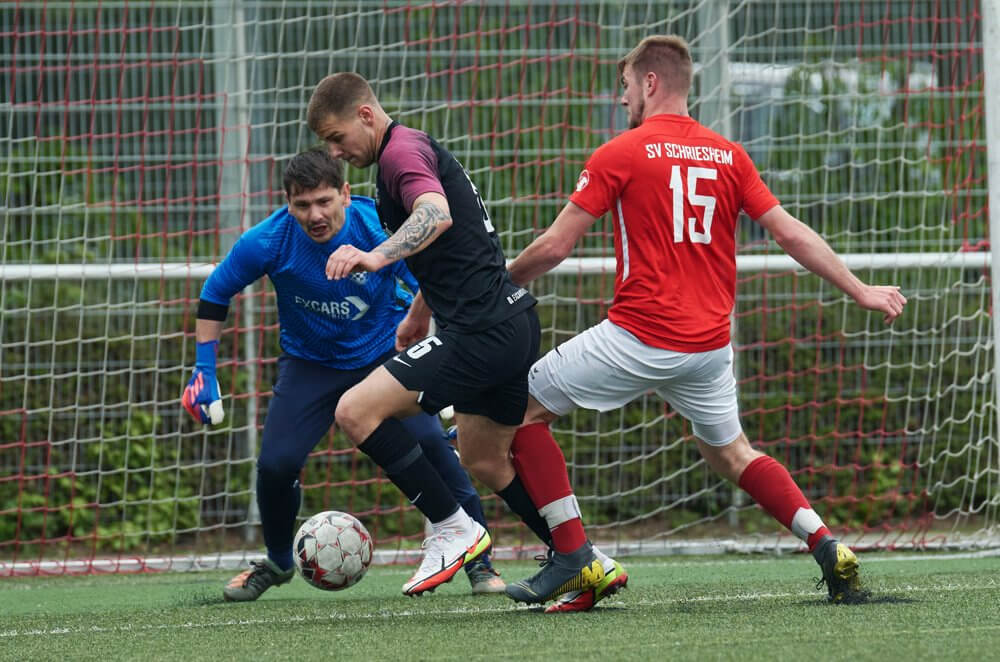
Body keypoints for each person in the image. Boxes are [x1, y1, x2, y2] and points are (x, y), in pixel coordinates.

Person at [506, 34, 907, 608]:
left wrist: (499, 287)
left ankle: (573, 556)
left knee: (517, 410)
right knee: (731, 453)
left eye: (625, 87)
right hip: (710, 347)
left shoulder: (620, 151)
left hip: (640, 335)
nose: (622, 101)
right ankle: (826, 543)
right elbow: (789, 231)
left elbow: (552, 248)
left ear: (649, 83)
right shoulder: (729, 154)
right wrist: (860, 289)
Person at [306, 72, 612, 602]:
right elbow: (452, 246)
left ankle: (452, 527)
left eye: (337, 139)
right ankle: (581, 559)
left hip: (481, 334)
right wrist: (420, 311)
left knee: (354, 411)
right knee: (486, 459)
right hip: (508, 322)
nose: (334, 152)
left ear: (365, 115)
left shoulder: (400, 156)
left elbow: (437, 215)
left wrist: (376, 256)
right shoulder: (409, 149)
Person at [181, 148, 505, 600]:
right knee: (275, 466)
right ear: (287, 204)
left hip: (382, 358)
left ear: (346, 195)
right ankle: (276, 563)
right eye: (302, 205)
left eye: (324, 201)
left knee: (432, 442)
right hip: (309, 365)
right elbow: (216, 292)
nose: (315, 214)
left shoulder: (377, 228)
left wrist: (449, 365)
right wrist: (203, 368)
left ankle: (480, 562)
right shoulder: (269, 240)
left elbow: (432, 288)